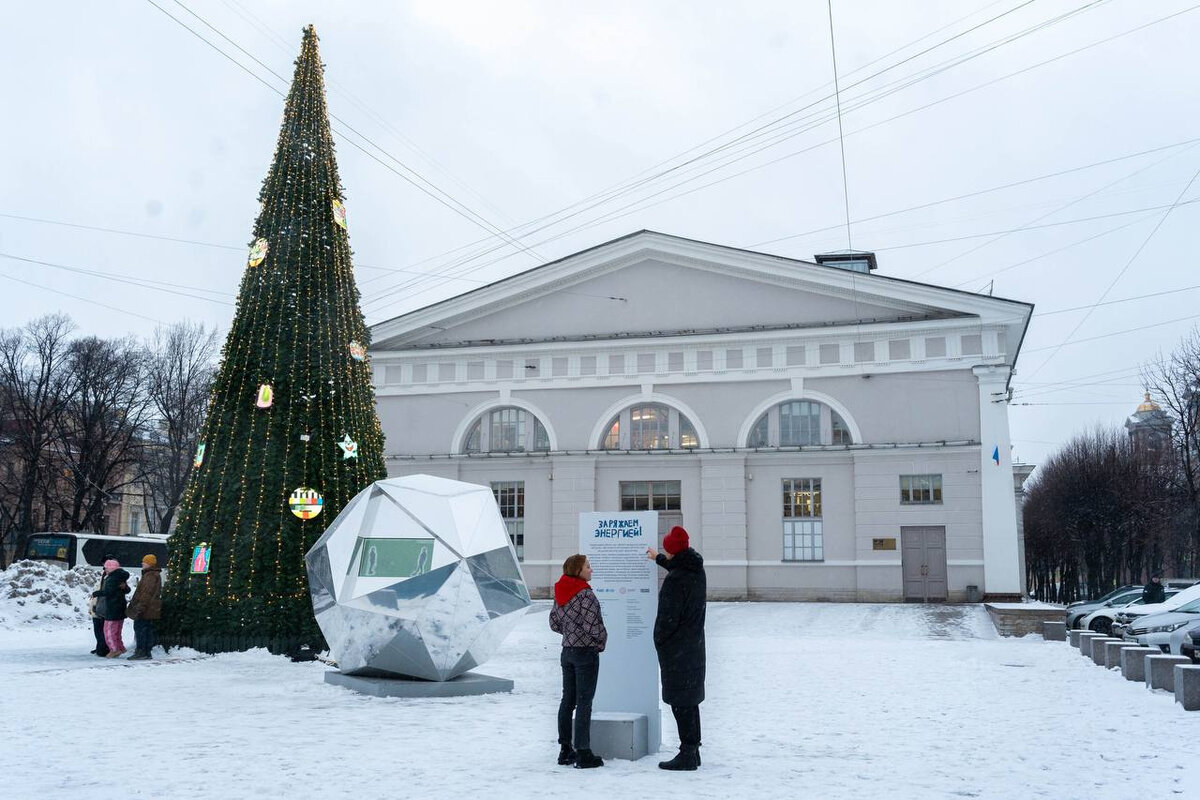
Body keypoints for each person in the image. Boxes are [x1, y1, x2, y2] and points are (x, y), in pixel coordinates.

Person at [647, 525, 706, 771]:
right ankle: (693, 750)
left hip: (677, 650)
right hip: (693, 646)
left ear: (672, 550)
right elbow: (678, 566)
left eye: (666, 549)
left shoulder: (675, 580)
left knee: (680, 702)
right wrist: (658, 559)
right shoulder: (695, 570)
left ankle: (687, 754)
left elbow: (667, 620)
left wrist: (658, 640)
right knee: (690, 700)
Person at [548, 554, 607, 770]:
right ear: (578, 570)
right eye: (588, 567)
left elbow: (554, 623)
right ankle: (583, 752)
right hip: (585, 653)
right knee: (584, 703)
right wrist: (601, 640)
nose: (591, 570)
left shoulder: (561, 591)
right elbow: (594, 627)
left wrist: (570, 632)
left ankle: (565, 750)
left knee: (568, 701)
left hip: (567, 652)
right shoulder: (585, 595)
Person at [126, 553, 163, 660]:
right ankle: (146, 652)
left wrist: (140, 607)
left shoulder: (150, 575)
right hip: (150, 608)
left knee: (140, 629)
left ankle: (141, 651)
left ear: (149, 564)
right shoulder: (152, 574)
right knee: (146, 630)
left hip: (146, 609)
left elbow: (146, 593)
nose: (142, 563)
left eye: (144, 562)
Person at [93, 559, 131, 658]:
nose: (105, 570)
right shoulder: (121, 577)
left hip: (112, 608)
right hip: (120, 607)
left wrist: (97, 593)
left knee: (108, 631)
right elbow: (127, 590)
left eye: (106, 568)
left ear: (110, 568)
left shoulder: (111, 578)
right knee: (117, 630)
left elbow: (108, 592)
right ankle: (121, 648)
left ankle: (114, 650)